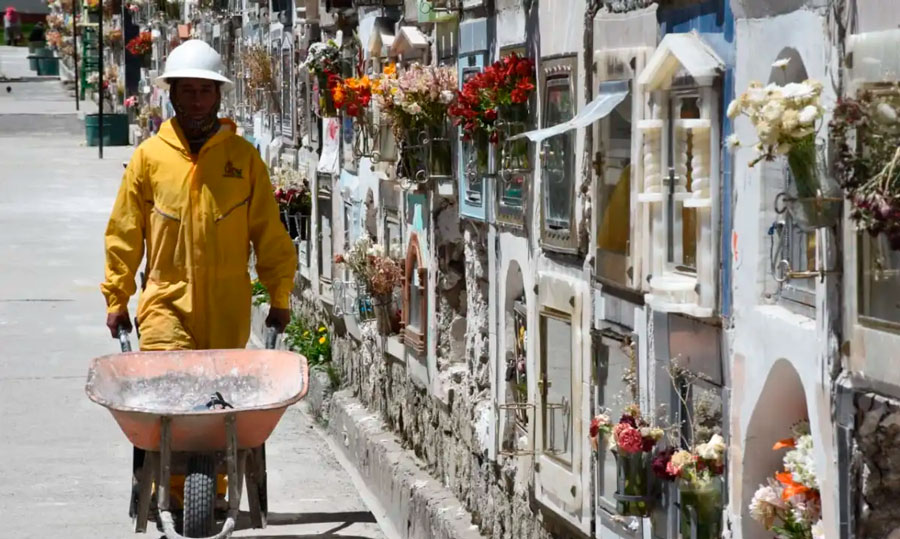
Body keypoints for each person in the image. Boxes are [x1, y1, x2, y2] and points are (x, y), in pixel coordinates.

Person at [101, 39, 296, 350]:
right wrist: (117, 298)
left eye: (205, 90)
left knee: (220, 397)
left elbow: (269, 234)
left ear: (218, 95)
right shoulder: (149, 158)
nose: (197, 101)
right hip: (165, 307)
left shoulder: (243, 160)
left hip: (227, 313)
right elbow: (124, 235)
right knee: (170, 390)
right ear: (173, 94)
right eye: (188, 91)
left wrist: (280, 295)